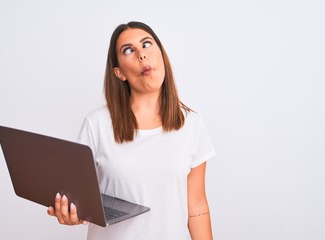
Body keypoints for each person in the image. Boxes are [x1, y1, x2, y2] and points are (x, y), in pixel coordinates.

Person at [47, 21, 216, 240]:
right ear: (119, 73)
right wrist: (71, 212)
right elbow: (76, 198)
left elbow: (197, 207)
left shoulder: (191, 124)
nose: (141, 55)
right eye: (129, 50)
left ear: (161, 55)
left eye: (147, 44)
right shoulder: (96, 124)